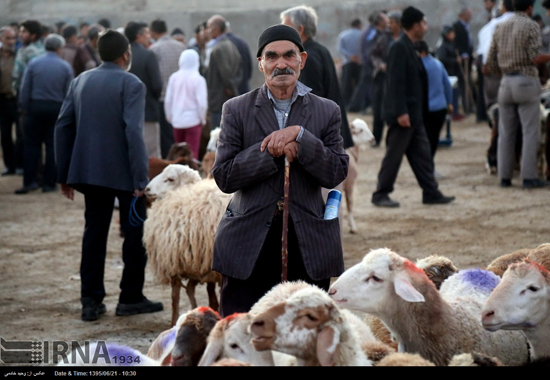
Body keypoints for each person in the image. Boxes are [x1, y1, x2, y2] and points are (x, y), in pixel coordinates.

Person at [211, 24, 349, 317]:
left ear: (303, 59)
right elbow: (223, 176)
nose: (281, 64)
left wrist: (302, 137)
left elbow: (336, 172)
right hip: (249, 241)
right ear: (261, 63)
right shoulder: (236, 109)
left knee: (306, 330)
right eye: (272, 56)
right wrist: (269, 151)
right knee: (243, 329)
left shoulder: (327, 111)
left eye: (289, 55)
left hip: (307, 240)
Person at [54, 30, 163, 321]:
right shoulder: (131, 83)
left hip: (90, 174)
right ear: (125, 54)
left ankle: (90, 301)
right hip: (127, 178)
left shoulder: (80, 81)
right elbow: (132, 132)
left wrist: (64, 174)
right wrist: (141, 178)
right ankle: (130, 297)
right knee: (134, 233)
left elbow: (63, 127)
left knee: (94, 234)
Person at [371, 6, 455, 208]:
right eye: (424, 23)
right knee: (394, 156)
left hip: (414, 114)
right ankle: (381, 194)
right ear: (416, 25)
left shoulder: (410, 46)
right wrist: (401, 112)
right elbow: (395, 82)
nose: (426, 27)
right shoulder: (400, 47)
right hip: (404, 115)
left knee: (422, 155)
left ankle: (431, 192)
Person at [486, 0, 550, 189]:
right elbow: (534, 57)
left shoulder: (500, 26)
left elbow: (490, 61)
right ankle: (529, 177)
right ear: (530, 8)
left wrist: (504, 72)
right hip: (526, 80)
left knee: (506, 132)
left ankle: (505, 177)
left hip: (505, 83)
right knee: (530, 131)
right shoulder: (531, 25)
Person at [280, 4, 353, 150]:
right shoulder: (320, 50)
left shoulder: (307, 58)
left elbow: (310, 101)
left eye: (286, 28)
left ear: (300, 29)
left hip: (320, 135)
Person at [15, 34, 73, 194]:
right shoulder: (65, 66)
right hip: (56, 108)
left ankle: (30, 181)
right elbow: (69, 93)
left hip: (35, 107)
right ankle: (49, 183)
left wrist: (24, 108)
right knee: (52, 146)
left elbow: (25, 88)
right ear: (60, 48)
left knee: (31, 145)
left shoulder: (34, 63)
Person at [125, 21, 163, 158]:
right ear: (138, 36)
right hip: (148, 112)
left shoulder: (123, 56)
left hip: (125, 112)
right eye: (147, 33)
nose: (150, 36)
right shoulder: (148, 55)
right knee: (150, 155)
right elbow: (157, 85)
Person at [149, 19, 186, 158]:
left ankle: (170, 160)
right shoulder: (181, 47)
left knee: (166, 136)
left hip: (163, 98)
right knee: (179, 134)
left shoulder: (154, 49)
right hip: (182, 97)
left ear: (153, 32)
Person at [164, 49, 207, 159]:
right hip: (193, 121)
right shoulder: (198, 79)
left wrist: (170, 117)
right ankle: (192, 174)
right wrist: (202, 119)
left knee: (179, 154)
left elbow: (168, 100)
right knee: (192, 154)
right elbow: (202, 104)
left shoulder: (174, 78)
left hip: (177, 121)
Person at [416, 40, 453, 160]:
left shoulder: (417, 66)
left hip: (424, 109)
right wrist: (449, 102)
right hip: (440, 108)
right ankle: (430, 165)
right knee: (434, 138)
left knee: (424, 140)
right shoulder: (438, 64)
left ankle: (426, 167)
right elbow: (447, 85)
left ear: (420, 52)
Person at [204, 15, 242, 130]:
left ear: (216, 29)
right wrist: (234, 85)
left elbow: (225, 73)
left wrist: (230, 86)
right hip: (226, 97)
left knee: (218, 135)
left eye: (209, 28)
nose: (207, 31)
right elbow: (240, 70)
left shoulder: (218, 48)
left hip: (219, 99)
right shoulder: (230, 45)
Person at [0, 26, 20, 176]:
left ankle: (20, 165)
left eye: (13, 38)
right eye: (8, 38)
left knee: (21, 134)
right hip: (2, 100)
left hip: (17, 99)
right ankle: (10, 166)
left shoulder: (20, 54)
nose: (11, 41)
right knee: (5, 135)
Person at [369, 12, 390, 147]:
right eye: (387, 20)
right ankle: (376, 138)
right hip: (380, 75)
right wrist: (379, 65)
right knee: (379, 108)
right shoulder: (376, 35)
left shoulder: (396, 37)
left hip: (396, 77)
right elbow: (371, 53)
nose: (388, 22)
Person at [437, 25, 463, 121]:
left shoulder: (451, 45)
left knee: (455, 93)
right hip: (448, 74)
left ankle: (455, 111)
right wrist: (455, 60)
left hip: (454, 73)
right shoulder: (443, 46)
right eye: (451, 33)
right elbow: (442, 59)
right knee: (450, 94)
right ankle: (451, 112)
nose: (454, 35)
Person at [337, 18, 362, 108]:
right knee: (359, 84)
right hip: (359, 63)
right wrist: (357, 57)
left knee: (346, 85)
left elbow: (340, 49)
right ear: (359, 25)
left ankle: (345, 104)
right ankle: (357, 105)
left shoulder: (343, 35)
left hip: (347, 63)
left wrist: (350, 56)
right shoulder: (362, 34)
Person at [453, 8, 475, 115]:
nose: (470, 16)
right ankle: (466, 106)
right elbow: (456, 43)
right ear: (462, 15)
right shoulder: (457, 26)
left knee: (468, 83)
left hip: (468, 60)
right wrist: (462, 54)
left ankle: (469, 105)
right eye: (468, 14)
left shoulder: (466, 26)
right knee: (464, 83)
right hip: (463, 60)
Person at [225, 21, 253, 95]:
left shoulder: (223, 45)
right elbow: (249, 65)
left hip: (229, 92)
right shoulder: (242, 42)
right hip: (244, 87)